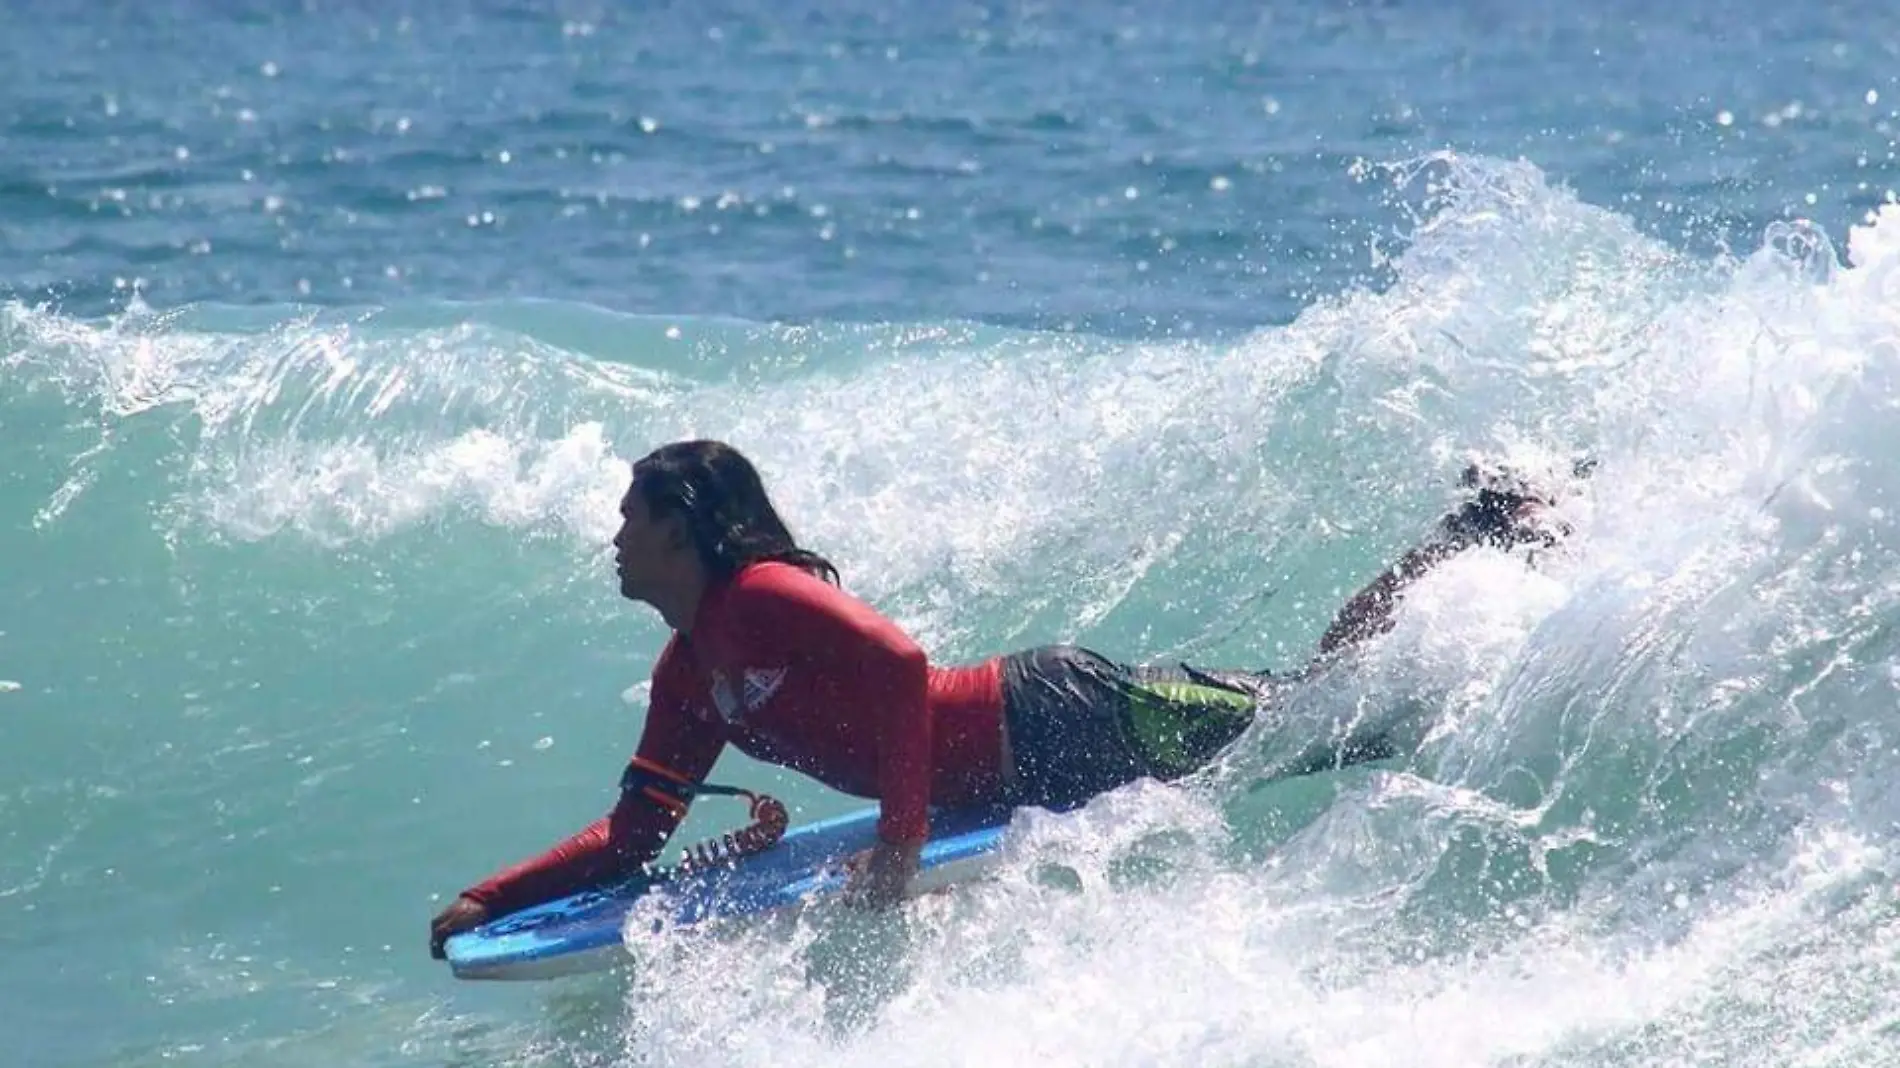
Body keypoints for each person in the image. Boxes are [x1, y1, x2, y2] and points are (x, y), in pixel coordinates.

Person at [429, 440, 1569, 957]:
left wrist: (901, 843)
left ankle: (1480, 539)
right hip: (1030, 768)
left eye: (630, 519)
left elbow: (898, 667)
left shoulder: (758, 596)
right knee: (1323, 720)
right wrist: (491, 895)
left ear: (680, 528)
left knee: (1334, 713)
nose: (614, 541)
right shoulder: (692, 676)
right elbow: (637, 832)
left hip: (1060, 715)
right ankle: (1475, 559)